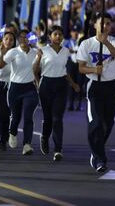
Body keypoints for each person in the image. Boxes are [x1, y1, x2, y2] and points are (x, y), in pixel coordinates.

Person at [77, 12, 115, 173]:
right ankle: (100, 159)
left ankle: (97, 149)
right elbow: (81, 68)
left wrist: (107, 43)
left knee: (107, 124)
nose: (105, 26)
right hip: (95, 87)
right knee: (96, 123)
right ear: (95, 25)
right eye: (102, 23)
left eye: (108, 23)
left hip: (112, 87)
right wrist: (93, 69)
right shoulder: (86, 44)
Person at [33, 25, 80, 161]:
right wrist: (38, 83)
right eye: (55, 34)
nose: (58, 36)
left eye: (60, 34)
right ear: (50, 37)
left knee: (57, 118)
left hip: (60, 86)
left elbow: (64, 71)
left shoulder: (66, 51)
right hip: (46, 85)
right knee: (48, 118)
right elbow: (35, 70)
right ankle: (44, 137)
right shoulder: (43, 50)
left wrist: (73, 84)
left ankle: (58, 149)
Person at [0, 29, 39, 156]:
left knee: (28, 117)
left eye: (27, 37)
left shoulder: (35, 53)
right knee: (15, 117)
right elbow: (0, 65)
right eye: (21, 37)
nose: (24, 39)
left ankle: (27, 145)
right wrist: (1, 52)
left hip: (30, 88)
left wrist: (39, 58)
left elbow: (37, 70)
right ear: (19, 39)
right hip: (15, 88)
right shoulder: (13, 52)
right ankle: (13, 132)